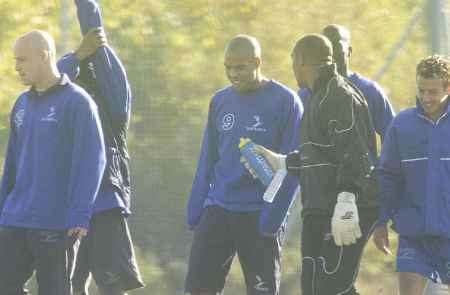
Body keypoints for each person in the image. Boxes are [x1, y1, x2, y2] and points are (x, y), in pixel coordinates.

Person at [246, 34, 378, 295]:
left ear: (303, 61)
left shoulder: (338, 96)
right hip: (319, 209)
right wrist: (283, 162)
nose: (292, 68)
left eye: (294, 61)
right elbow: (321, 156)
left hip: (340, 208)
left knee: (329, 286)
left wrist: (346, 200)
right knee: (321, 286)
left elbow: (355, 152)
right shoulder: (318, 96)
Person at [184, 34, 302, 295]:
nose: (233, 74)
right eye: (228, 67)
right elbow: (208, 159)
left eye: (240, 67)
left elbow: (294, 167)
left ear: (257, 62)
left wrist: (273, 218)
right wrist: (196, 207)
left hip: (259, 213)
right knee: (197, 290)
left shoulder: (286, 102)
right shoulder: (219, 101)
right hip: (218, 208)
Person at [0, 30, 106, 295]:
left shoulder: (78, 102)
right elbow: (12, 164)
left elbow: (93, 160)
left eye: (22, 60)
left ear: (43, 56)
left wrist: (81, 212)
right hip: (16, 218)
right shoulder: (21, 104)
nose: (16, 67)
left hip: (56, 222)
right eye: (15, 60)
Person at [57, 0, 145, 294]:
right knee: (66, 283)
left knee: (111, 285)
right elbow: (50, 82)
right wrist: (78, 54)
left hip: (106, 204)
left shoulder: (114, 103)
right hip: (70, 206)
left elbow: (94, 32)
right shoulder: (65, 102)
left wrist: (85, 8)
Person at [373, 55, 450, 295]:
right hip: (414, 234)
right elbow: (388, 176)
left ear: (448, 88)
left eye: (433, 92)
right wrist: (380, 220)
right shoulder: (401, 124)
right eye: (421, 90)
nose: (426, 98)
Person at [299, 24, 395, 141]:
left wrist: (378, 159)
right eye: (324, 47)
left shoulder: (369, 91)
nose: (330, 52)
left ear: (349, 51)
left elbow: (393, 137)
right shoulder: (306, 93)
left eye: (335, 44)